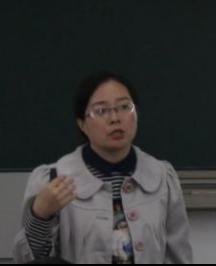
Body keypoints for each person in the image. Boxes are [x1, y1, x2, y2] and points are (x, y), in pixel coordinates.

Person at [12, 71, 193, 264]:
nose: (115, 118)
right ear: (82, 124)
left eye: (124, 107)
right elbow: (28, 260)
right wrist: (40, 215)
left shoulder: (162, 177)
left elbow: (179, 257)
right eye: (101, 111)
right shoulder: (54, 179)